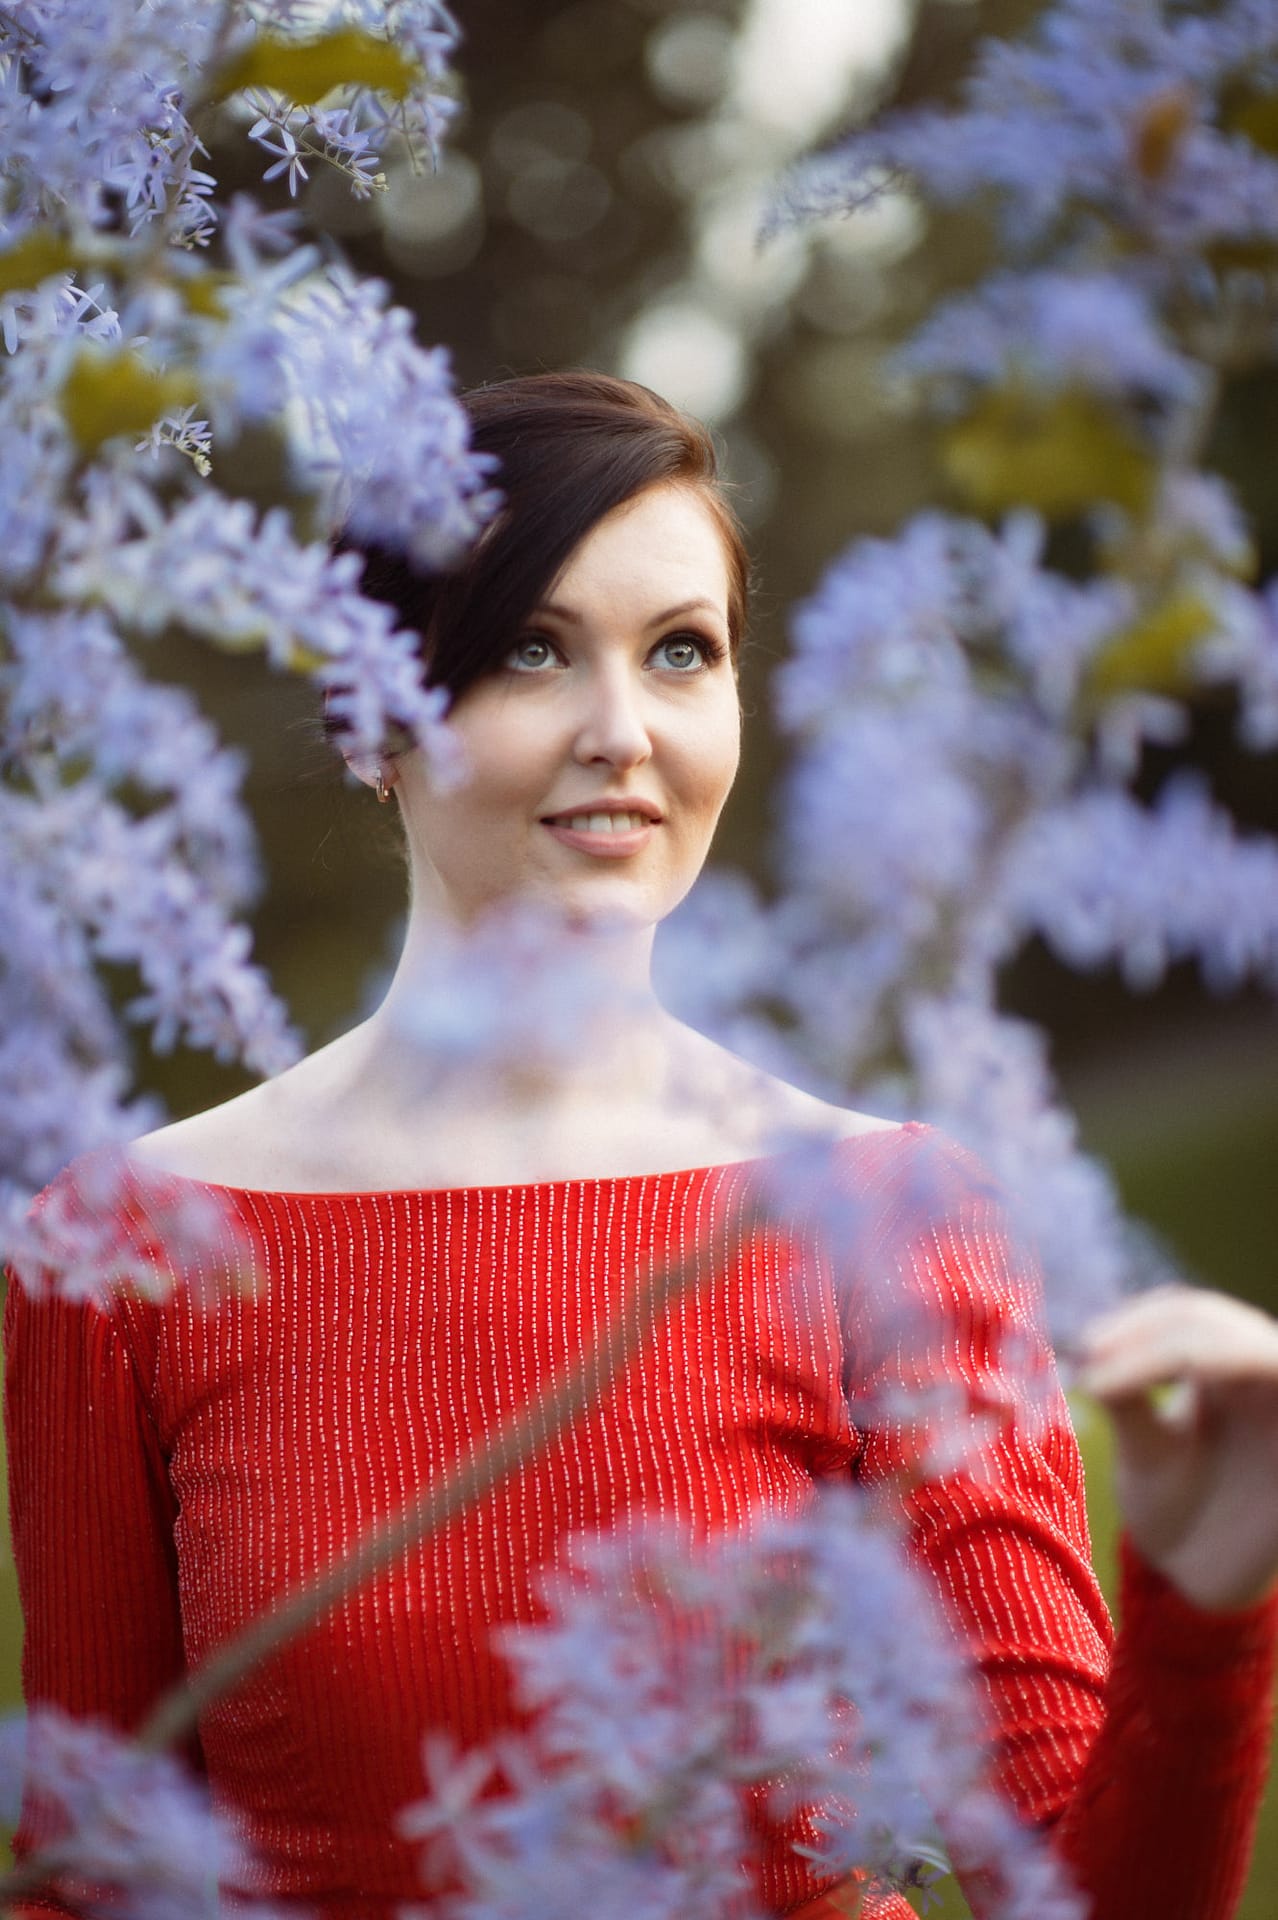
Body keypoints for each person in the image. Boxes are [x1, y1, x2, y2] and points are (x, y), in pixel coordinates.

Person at [5, 372, 1278, 1920]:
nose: (623, 732)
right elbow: (91, 1876)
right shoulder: (125, 1249)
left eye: (681, 653)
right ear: (367, 714)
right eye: (533, 650)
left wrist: (1206, 1613)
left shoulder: (889, 1217)